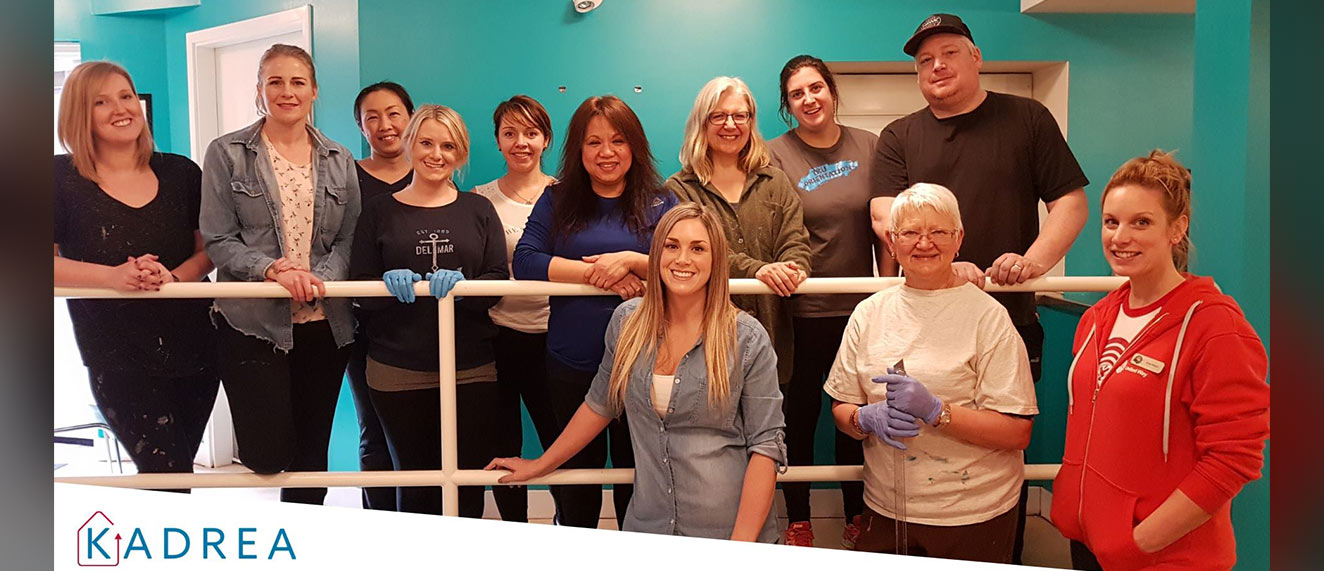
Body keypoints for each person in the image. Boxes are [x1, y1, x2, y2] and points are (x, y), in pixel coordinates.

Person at [869, 14, 1090, 559]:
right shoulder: (900, 135)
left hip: (1007, 319)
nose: (936, 66)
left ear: (976, 57)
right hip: (917, 323)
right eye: (924, 61)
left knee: (996, 448)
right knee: (912, 440)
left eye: (948, 53)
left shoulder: (1028, 118)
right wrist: (946, 269)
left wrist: (1032, 262)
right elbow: (882, 215)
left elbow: (1071, 203)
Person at [488, 203, 786, 542]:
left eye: (698, 248)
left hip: (728, 529)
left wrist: (740, 550)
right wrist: (541, 464)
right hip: (648, 525)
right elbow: (599, 403)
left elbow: (766, 447)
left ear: (716, 260)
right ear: (656, 254)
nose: (683, 259)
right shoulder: (627, 321)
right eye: (672, 246)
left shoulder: (747, 338)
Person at [1050, 151, 1269, 570]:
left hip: (1164, 556)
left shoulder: (1214, 326)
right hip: (1090, 543)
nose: (1120, 237)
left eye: (1142, 222)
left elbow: (1233, 458)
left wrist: (1141, 543)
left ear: (1177, 228)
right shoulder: (1098, 317)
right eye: (1111, 222)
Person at [824, 183, 1037, 563]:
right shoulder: (869, 313)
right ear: (892, 241)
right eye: (910, 232)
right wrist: (862, 418)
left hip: (971, 515)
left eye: (939, 231)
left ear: (959, 239)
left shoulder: (987, 317)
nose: (925, 243)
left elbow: (1017, 431)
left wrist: (939, 411)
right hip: (886, 509)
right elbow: (842, 407)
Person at [199, 44, 361, 505]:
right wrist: (272, 268)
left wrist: (318, 278)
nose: (286, 92)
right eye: (275, 81)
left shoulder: (339, 159)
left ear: (313, 91)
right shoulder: (226, 153)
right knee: (267, 454)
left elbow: (350, 239)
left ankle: (301, 543)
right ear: (259, 90)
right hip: (252, 324)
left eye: (296, 82)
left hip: (323, 326)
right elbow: (218, 239)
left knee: (313, 457)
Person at [512, 95, 677, 529]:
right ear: (578, 150)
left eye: (618, 141)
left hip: (644, 363)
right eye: (593, 143)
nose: (606, 153)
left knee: (639, 479)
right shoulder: (557, 200)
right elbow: (526, 261)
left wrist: (632, 260)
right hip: (571, 363)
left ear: (634, 146)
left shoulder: (662, 202)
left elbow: (682, 264)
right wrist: (601, 274)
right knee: (574, 481)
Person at [53, 61, 219, 487]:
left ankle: (166, 548)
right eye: (101, 102)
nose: (120, 109)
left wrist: (174, 279)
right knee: (166, 474)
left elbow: (208, 251)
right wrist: (112, 277)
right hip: (116, 355)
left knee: (177, 477)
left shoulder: (181, 171)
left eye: (125, 96)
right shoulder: (57, 179)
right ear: (78, 114)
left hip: (196, 349)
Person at [349, 104, 508, 517]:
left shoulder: (478, 210)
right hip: (397, 367)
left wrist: (466, 286)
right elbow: (359, 288)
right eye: (426, 143)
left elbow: (496, 282)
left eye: (448, 145)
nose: (437, 154)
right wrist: (384, 284)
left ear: (461, 153)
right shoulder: (379, 210)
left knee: (467, 480)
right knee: (415, 480)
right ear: (410, 144)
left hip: (470, 365)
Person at [766, 54, 880, 547]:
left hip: (861, 311)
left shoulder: (872, 146)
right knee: (800, 415)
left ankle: (857, 515)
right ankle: (798, 517)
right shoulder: (772, 154)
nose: (809, 99)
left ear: (832, 91)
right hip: (802, 312)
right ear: (788, 105)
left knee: (854, 416)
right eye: (797, 93)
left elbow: (885, 228)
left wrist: (889, 294)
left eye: (816, 88)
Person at [664, 76, 811, 388]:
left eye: (739, 115)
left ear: (750, 121)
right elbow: (695, 256)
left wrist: (792, 269)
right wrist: (759, 270)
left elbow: (795, 240)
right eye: (718, 116)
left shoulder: (776, 181)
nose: (730, 124)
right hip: (706, 344)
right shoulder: (679, 189)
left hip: (775, 340)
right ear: (702, 123)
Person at [471, 95, 561, 523]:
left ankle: (573, 528)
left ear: (545, 139)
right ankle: (514, 532)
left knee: (559, 439)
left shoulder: (567, 195)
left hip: (557, 336)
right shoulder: (479, 199)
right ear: (498, 142)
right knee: (503, 442)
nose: (520, 142)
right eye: (510, 133)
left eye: (530, 133)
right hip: (498, 336)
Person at [346, 80, 416, 512]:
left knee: (431, 431)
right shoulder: (345, 176)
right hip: (365, 324)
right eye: (372, 117)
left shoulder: (430, 169)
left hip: (429, 324)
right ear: (360, 126)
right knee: (374, 428)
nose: (385, 125)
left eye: (394, 114)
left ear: (410, 118)